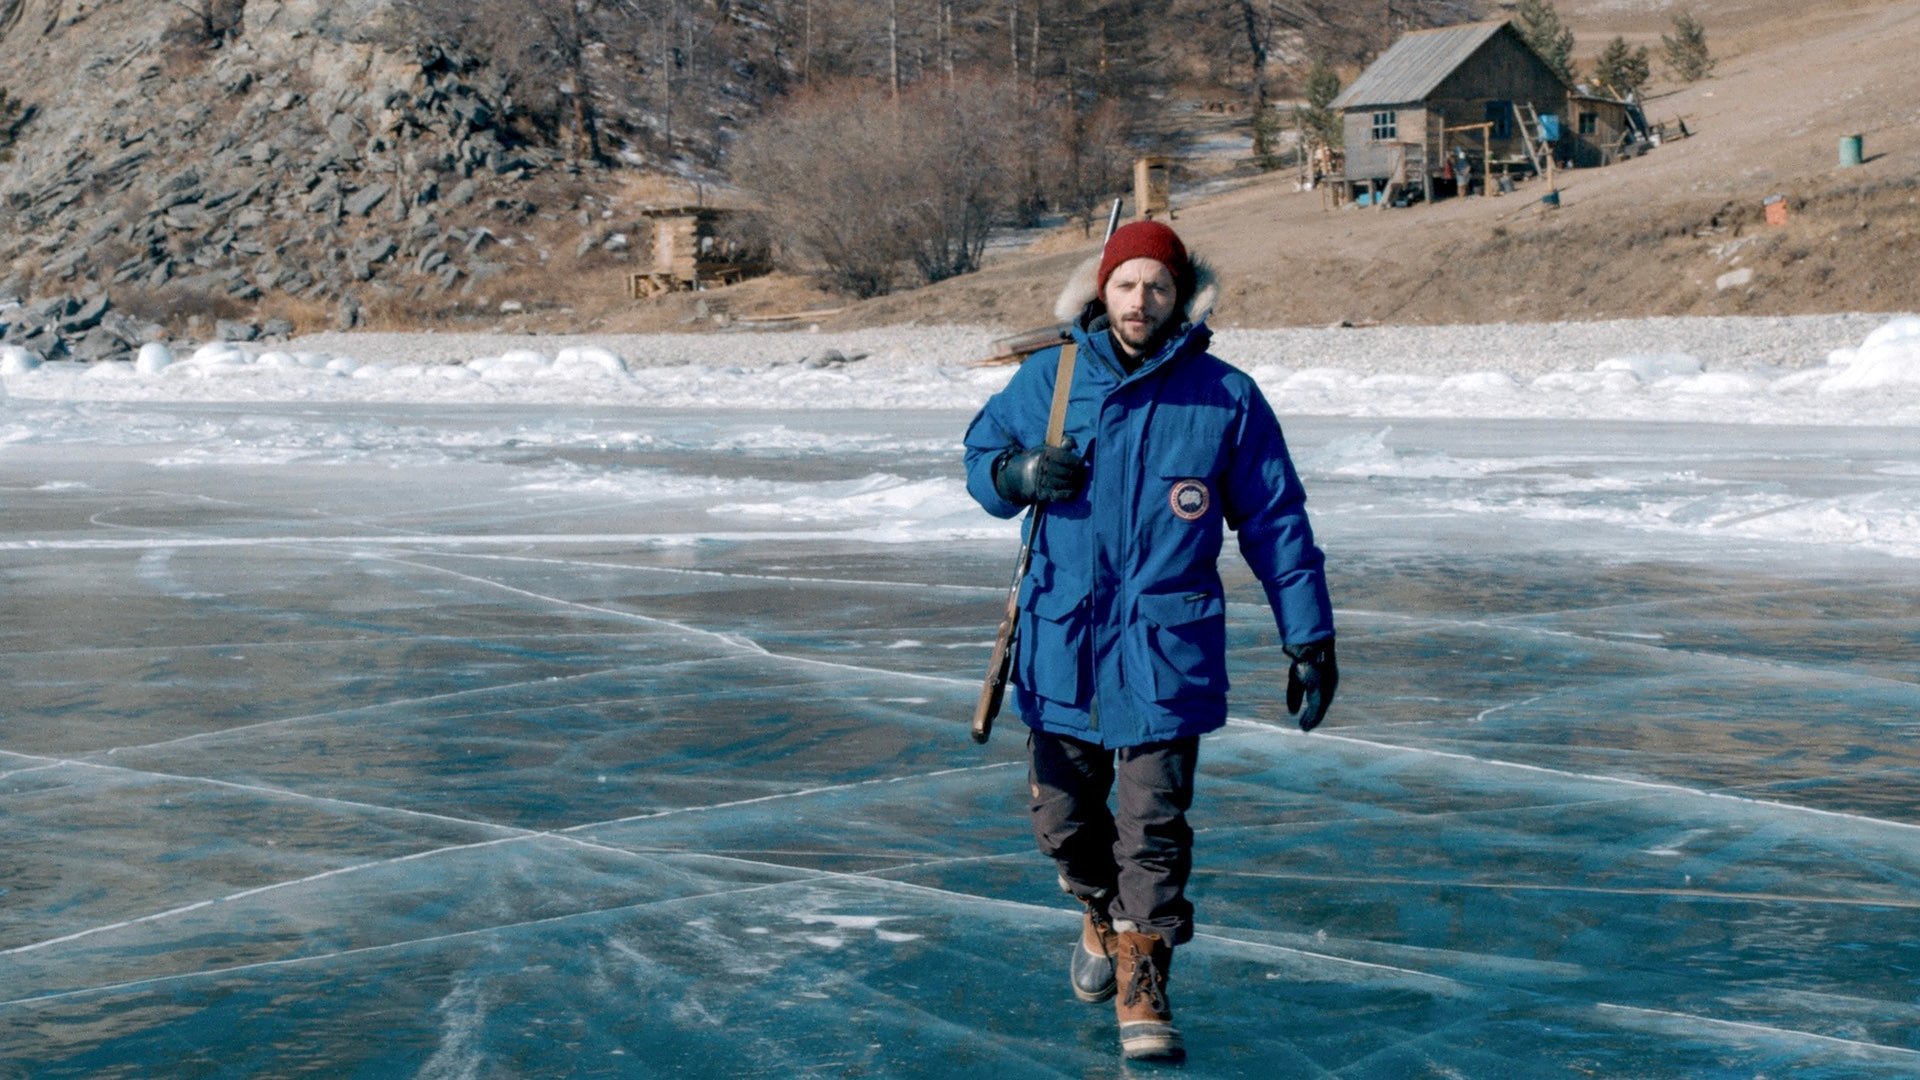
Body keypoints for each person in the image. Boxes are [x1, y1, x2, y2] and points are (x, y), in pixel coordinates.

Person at [962, 221, 1338, 1061]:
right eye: (1127, 285)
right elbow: (980, 454)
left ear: (1180, 298)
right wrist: (1016, 475)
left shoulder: (1224, 396)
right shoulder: (1050, 379)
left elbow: (1276, 522)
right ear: (1104, 291)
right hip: (1064, 648)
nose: (1141, 301)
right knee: (1064, 825)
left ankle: (1144, 969)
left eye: (1158, 287)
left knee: (1154, 827)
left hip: (1166, 656)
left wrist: (1308, 637)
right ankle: (1100, 915)